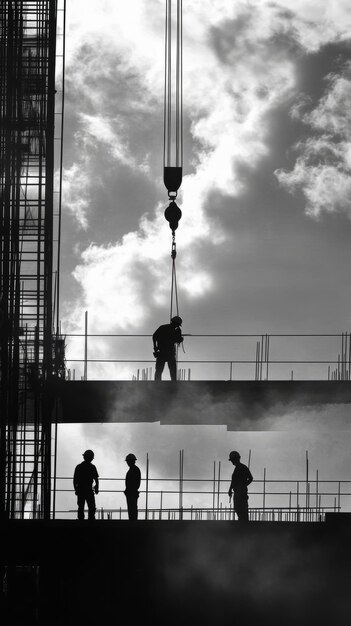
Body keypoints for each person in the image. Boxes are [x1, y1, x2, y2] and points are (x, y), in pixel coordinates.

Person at [153, 315, 183, 380]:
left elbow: (154, 336)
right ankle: (173, 384)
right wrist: (180, 337)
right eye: (177, 325)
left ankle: (157, 384)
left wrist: (155, 347)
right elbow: (177, 340)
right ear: (175, 323)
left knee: (159, 370)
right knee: (172, 370)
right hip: (168, 353)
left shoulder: (163, 327)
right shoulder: (174, 331)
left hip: (163, 352)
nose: (177, 326)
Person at [73, 449, 99, 521]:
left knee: (81, 506)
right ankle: (91, 519)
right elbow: (96, 479)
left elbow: (75, 480)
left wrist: (76, 489)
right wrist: (97, 488)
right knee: (91, 506)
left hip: (81, 489)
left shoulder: (79, 467)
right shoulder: (92, 467)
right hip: (88, 489)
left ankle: (81, 519)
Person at [228, 450, 253, 522]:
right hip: (237, 492)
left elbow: (250, 478)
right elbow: (233, 481)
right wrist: (230, 489)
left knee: (242, 509)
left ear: (236, 459)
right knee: (238, 508)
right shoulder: (237, 469)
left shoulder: (243, 467)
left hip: (241, 493)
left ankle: (243, 524)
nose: (232, 462)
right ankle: (242, 522)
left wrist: (243, 485)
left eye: (232, 460)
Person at [124, 453, 141, 521]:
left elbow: (135, 483)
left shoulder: (134, 470)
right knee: (132, 507)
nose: (127, 463)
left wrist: (129, 490)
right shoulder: (133, 469)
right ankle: (132, 520)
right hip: (131, 492)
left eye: (128, 461)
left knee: (132, 507)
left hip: (132, 492)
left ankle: (133, 521)